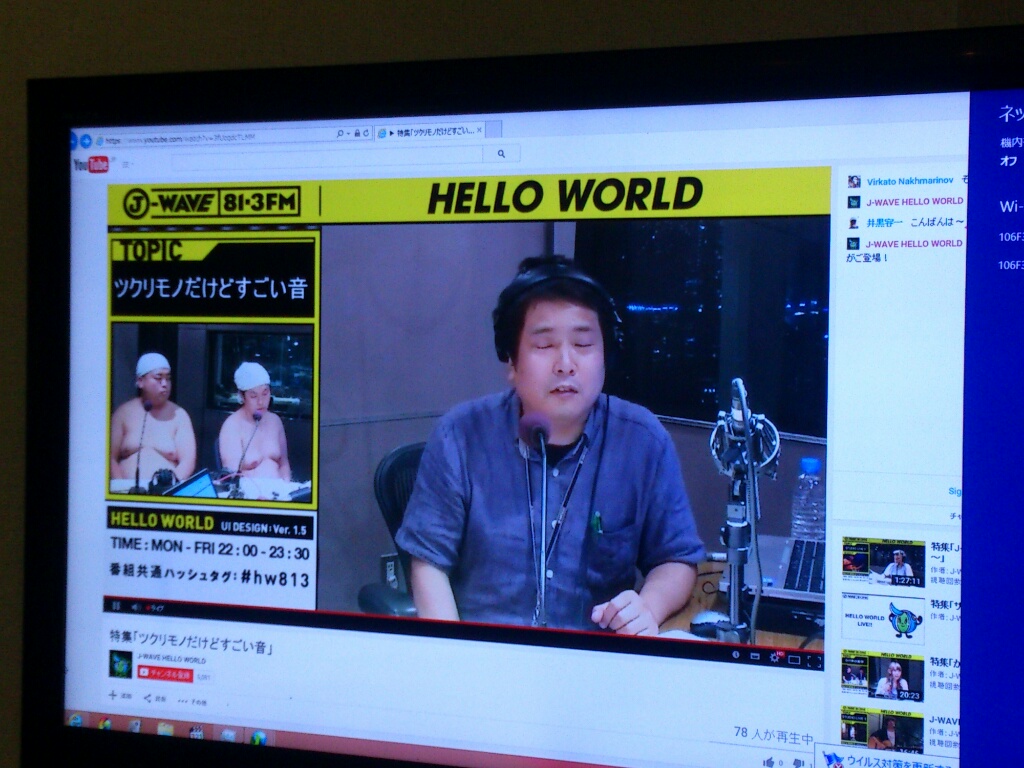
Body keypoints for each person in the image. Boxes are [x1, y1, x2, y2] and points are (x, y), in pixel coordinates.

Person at [396, 256, 705, 634]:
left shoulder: (643, 441)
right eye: (544, 345)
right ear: (511, 362)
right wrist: (454, 651)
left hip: (593, 656)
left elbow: (676, 558)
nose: (566, 364)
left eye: (583, 344)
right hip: (487, 651)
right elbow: (429, 563)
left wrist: (648, 607)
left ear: (606, 355)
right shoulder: (459, 435)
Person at [110, 352, 197, 487]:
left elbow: (188, 462)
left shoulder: (180, 415)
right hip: (126, 490)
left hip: (166, 490)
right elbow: (109, 458)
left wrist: (171, 487)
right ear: (140, 381)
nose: (165, 384)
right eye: (158, 378)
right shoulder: (123, 413)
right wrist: (120, 486)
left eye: (168, 378)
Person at [218, 362, 291, 481]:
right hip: (249, 490)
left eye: (265, 394)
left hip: (279, 488)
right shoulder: (231, 426)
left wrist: (286, 485)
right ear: (242, 396)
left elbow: (284, 464)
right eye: (253, 396)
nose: (261, 402)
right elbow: (231, 476)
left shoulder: (275, 421)